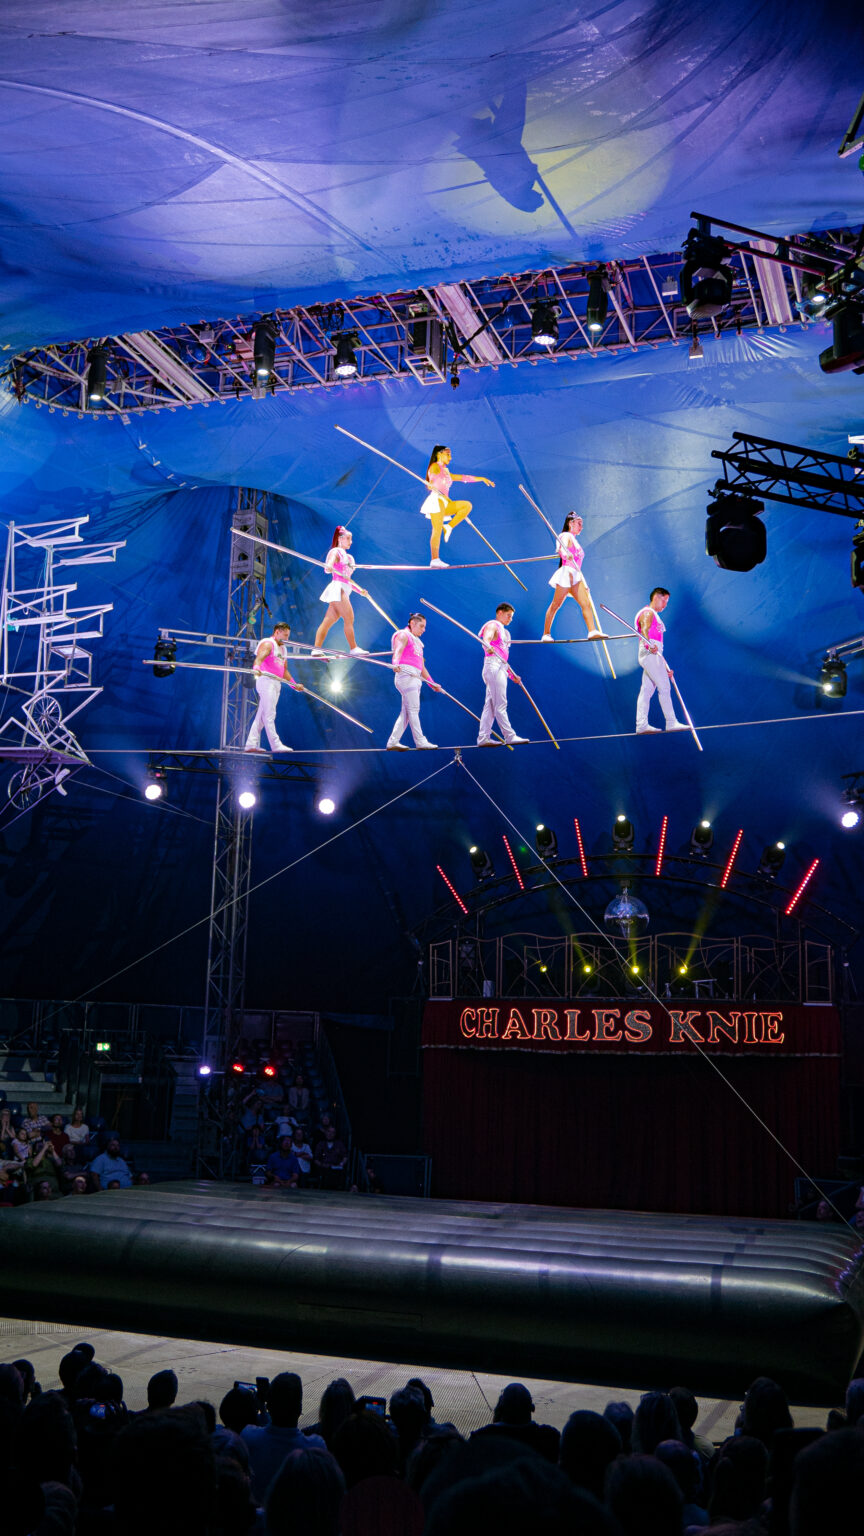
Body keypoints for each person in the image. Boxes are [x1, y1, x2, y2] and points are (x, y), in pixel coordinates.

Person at [241, 1372, 325, 1502]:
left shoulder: (248, 1436)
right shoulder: (316, 1447)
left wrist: (262, 1409)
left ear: (269, 1405)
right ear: (299, 1409)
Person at [422, 444, 494, 568]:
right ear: (439, 454)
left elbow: (464, 477)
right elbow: (431, 477)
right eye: (448, 455)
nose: (450, 458)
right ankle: (434, 559)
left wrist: (482, 478)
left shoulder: (446, 471)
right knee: (436, 530)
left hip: (445, 502)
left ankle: (449, 526)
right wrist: (431, 483)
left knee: (466, 506)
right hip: (437, 500)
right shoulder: (435, 466)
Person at [542, 513, 605, 641]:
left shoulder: (575, 540)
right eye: (579, 524)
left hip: (576, 575)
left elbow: (578, 567)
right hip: (567, 574)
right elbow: (561, 548)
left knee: (586, 603)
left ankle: (592, 631)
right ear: (570, 523)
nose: (581, 527)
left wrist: (584, 584)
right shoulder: (566, 535)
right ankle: (546, 634)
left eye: (582, 524)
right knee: (555, 605)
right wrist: (566, 554)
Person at [244, 621, 304, 755]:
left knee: (262, 716)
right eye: (285, 635)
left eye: (288, 636)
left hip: (276, 683)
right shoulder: (268, 643)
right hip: (266, 681)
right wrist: (256, 668)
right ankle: (275, 745)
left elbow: (284, 670)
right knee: (269, 714)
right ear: (277, 632)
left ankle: (250, 744)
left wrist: (294, 685)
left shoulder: (283, 649)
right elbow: (259, 658)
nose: (287, 639)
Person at [387, 613, 442, 750]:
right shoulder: (403, 635)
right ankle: (420, 741)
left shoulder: (418, 642)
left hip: (415, 676)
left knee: (406, 712)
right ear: (412, 623)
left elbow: (421, 666)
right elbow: (397, 652)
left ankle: (393, 741)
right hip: (406, 674)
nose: (424, 629)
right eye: (421, 626)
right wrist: (395, 664)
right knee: (413, 709)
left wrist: (431, 683)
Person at [311, 527, 369, 657]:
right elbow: (329, 566)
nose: (350, 542)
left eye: (351, 539)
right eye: (348, 538)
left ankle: (316, 649)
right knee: (349, 618)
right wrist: (329, 566)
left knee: (328, 621)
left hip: (344, 588)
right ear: (340, 539)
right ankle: (353, 648)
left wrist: (360, 591)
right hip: (338, 588)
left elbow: (348, 580)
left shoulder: (349, 558)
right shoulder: (336, 551)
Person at [634, 587, 685, 734]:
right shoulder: (648, 612)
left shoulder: (654, 614)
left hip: (654, 653)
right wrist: (648, 644)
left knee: (646, 690)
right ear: (656, 597)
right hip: (650, 652)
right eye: (664, 600)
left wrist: (663, 665)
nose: (665, 605)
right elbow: (644, 629)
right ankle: (671, 722)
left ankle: (641, 724)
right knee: (665, 687)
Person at [476, 603, 528, 746]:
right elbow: (486, 639)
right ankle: (509, 736)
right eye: (508, 615)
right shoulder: (493, 625)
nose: (510, 619)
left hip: (500, 667)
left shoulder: (506, 633)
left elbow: (503, 659)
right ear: (499, 613)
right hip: (493, 666)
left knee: (490, 706)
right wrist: (487, 646)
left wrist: (512, 676)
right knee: (500, 704)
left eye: (512, 617)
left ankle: (483, 738)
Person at [313, 1125, 349, 1190]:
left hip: (336, 1169)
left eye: (333, 1132)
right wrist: (321, 1165)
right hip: (324, 1168)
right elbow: (316, 1159)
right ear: (325, 1132)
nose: (330, 1134)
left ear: (335, 1134)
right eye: (329, 1131)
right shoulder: (321, 1144)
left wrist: (342, 1163)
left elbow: (345, 1157)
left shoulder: (339, 1144)